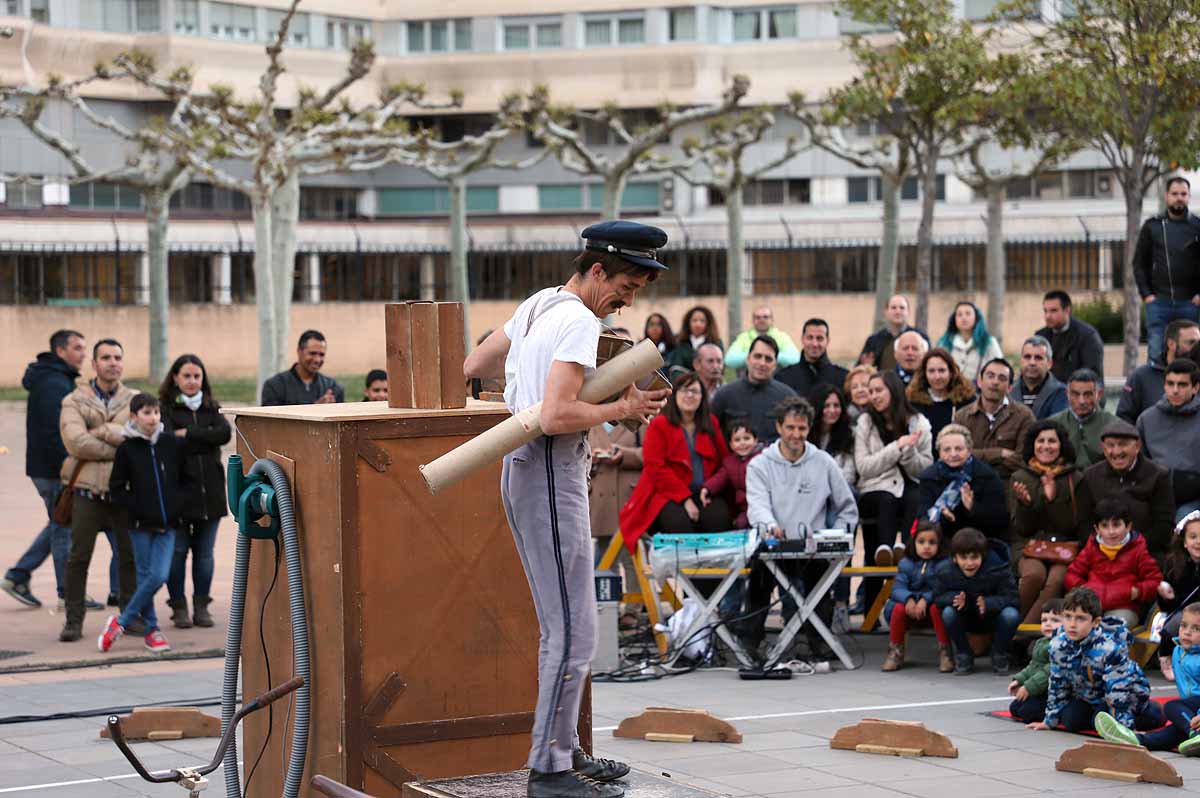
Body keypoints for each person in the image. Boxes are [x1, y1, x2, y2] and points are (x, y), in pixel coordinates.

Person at [462, 219, 671, 797]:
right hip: (550, 471)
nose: (629, 300)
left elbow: (474, 365)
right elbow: (556, 416)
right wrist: (618, 410)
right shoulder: (578, 319)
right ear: (598, 269)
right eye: (627, 284)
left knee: (562, 626)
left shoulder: (540, 303)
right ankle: (550, 768)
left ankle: (563, 750)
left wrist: (524, 390)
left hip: (523, 467)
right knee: (574, 631)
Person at [743, 396, 859, 654]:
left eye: (802, 429)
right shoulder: (759, 465)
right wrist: (770, 525)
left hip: (812, 547)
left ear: (809, 428)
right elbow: (757, 505)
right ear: (779, 428)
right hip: (774, 544)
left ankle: (817, 642)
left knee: (819, 581)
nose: (796, 434)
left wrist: (835, 535)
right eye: (791, 428)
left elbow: (847, 507)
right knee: (760, 577)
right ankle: (750, 642)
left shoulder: (823, 462)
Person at [2, 330, 97, 610]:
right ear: (60, 351)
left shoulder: (53, 377)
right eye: (77, 348)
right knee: (63, 529)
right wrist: (68, 469)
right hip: (54, 470)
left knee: (59, 522)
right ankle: (68, 594)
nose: (83, 353)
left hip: (46, 468)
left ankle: (18, 575)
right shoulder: (53, 383)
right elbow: (55, 432)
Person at [58, 339, 138, 643]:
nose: (113, 362)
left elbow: (142, 438)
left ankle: (130, 617)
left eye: (118, 357)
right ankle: (73, 620)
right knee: (78, 558)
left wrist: (101, 431)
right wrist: (119, 440)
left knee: (129, 557)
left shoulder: (135, 399)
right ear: (94, 364)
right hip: (86, 492)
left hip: (122, 493)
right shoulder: (74, 400)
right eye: (106, 357)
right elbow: (75, 442)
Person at [99, 393, 181, 654]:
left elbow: (184, 479)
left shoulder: (170, 444)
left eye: (156, 412)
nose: (153, 418)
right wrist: (137, 508)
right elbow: (117, 488)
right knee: (146, 576)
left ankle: (120, 623)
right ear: (134, 417)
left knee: (159, 575)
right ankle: (153, 630)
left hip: (168, 524)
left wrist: (177, 505)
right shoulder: (126, 449)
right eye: (147, 413)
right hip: (139, 525)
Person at [159, 354, 231, 629]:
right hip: (178, 493)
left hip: (210, 493)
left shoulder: (213, 406)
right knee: (177, 553)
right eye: (186, 376)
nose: (191, 381)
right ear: (175, 378)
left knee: (204, 555)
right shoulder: (165, 408)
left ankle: (202, 606)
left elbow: (223, 434)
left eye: (196, 376)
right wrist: (203, 434)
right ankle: (178, 606)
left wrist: (187, 435)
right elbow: (167, 439)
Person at [619, 372, 732, 546]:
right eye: (684, 390)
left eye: (695, 391)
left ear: (703, 397)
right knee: (679, 525)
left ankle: (716, 573)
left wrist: (710, 488)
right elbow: (655, 467)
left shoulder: (711, 423)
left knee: (719, 520)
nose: (689, 395)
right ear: (675, 394)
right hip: (667, 494)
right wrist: (685, 499)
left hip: (705, 491)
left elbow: (725, 463)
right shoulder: (659, 425)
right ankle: (683, 574)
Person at [1030, 586, 1160, 734]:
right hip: (1091, 698)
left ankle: (1149, 712)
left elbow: (1119, 690)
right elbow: (1057, 683)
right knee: (1071, 720)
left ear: (1095, 622)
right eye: (1067, 616)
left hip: (1129, 697)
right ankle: (1099, 718)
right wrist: (1049, 720)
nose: (1072, 624)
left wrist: (1124, 729)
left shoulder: (1110, 648)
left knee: (1148, 717)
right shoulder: (1058, 644)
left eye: (1080, 618)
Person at [854, 370, 933, 585]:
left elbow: (925, 470)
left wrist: (909, 452)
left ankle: (906, 554)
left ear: (894, 391)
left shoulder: (919, 423)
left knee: (914, 497)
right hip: (875, 490)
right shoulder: (865, 422)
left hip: (910, 487)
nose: (874, 396)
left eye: (879, 390)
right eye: (871, 392)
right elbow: (863, 467)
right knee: (887, 498)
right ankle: (884, 552)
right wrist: (897, 447)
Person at [1096, 602, 1200, 754]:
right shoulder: (1179, 650)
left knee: (1171, 707)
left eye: (1196, 628)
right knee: (1173, 733)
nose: (1187, 632)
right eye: (1183, 625)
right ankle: (1136, 740)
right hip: (1191, 710)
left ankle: (1196, 734)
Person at [1076, 420, 1175, 563]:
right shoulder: (1090, 476)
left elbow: (1164, 526)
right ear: (1103, 448)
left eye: (1123, 444)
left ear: (1137, 446)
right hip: (1100, 553)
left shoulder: (1158, 476)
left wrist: (1130, 549)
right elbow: (1084, 524)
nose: (1116, 451)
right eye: (1110, 445)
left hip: (1145, 552)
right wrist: (1104, 549)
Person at [1011, 420, 1080, 623]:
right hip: (1029, 545)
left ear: (1061, 445)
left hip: (1064, 545)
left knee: (1056, 581)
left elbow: (1070, 525)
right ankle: (1012, 627)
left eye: (1052, 441)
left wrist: (1052, 500)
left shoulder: (1074, 477)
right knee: (1034, 576)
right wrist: (1026, 505)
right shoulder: (1020, 476)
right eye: (1040, 441)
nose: (1046, 446)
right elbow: (1021, 528)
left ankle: (1021, 635)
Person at [931, 527, 1021, 675]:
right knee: (948, 613)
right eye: (964, 558)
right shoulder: (945, 571)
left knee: (1011, 615)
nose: (969, 563)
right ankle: (964, 655)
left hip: (992, 617)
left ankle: (999, 654)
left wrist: (989, 602)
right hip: (965, 617)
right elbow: (937, 596)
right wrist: (955, 598)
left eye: (974, 557)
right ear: (954, 558)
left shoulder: (998, 568)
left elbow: (1013, 598)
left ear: (983, 556)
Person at [1132, 176, 1200, 365]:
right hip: (1159, 303)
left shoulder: (1197, 226)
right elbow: (1138, 264)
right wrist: (1147, 295)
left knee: (1193, 354)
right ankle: (1157, 393)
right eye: (1175, 194)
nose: (1179, 198)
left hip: (1190, 303)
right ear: (1166, 196)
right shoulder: (1152, 226)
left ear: (1189, 196)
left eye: (1183, 194)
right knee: (1156, 352)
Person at [1065, 496, 1162, 627]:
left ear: (1128, 526)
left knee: (1112, 628)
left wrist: (1136, 591)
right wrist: (1083, 589)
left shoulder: (1138, 550)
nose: (1111, 532)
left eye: (1116, 525)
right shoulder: (1092, 547)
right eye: (1105, 526)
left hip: (1124, 607)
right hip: (1090, 605)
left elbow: (1155, 580)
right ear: (1097, 529)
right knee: (1074, 623)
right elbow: (1072, 573)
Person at [881, 522, 953, 673]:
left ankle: (945, 652)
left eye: (932, 542)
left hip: (931, 611)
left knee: (937, 607)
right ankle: (895, 652)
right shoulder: (906, 563)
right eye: (921, 542)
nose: (926, 546)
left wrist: (925, 599)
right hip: (910, 610)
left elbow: (941, 588)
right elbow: (897, 588)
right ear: (913, 543)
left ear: (940, 544)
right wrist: (909, 599)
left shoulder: (944, 564)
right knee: (898, 607)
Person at [917, 424, 1008, 541]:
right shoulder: (929, 477)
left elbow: (999, 523)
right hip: (940, 540)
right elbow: (922, 517)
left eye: (959, 449)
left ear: (969, 450)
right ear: (939, 452)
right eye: (947, 449)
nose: (953, 454)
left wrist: (972, 508)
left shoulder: (987, 476)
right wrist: (944, 518)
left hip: (979, 541)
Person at [1137, 358, 1200, 521]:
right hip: (1155, 495)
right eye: (1170, 384)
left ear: (1195, 387)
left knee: (1184, 523)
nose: (1175, 390)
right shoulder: (1147, 419)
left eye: (1182, 384)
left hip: (1194, 499)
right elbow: (1139, 462)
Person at [953, 358, 1035, 481]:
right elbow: (956, 455)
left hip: (1009, 485)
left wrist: (976, 455)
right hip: (970, 483)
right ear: (980, 382)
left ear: (1010, 387)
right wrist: (999, 453)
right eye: (990, 376)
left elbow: (1023, 461)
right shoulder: (962, 416)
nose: (995, 382)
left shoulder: (1024, 416)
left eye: (1002, 378)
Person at [709, 335, 796, 444]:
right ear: (748, 359)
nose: (762, 363)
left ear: (775, 365)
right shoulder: (725, 395)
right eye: (757, 356)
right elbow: (710, 434)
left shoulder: (787, 398)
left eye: (768, 359)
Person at [1118, 319, 1200, 423]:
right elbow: (1123, 419)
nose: (1196, 347)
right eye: (1191, 342)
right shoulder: (1141, 377)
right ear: (1171, 344)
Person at [1008, 598, 1065, 724]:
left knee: (1028, 712)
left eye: (1055, 620)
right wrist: (1019, 680)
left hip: (1054, 692)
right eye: (1044, 620)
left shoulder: (1062, 645)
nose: (1048, 624)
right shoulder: (1041, 642)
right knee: (1015, 708)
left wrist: (1029, 687)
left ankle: (1058, 712)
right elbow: (1033, 666)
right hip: (1040, 689)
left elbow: (1048, 671)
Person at [1157, 513, 1200, 680]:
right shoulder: (1174, 565)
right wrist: (1165, 596)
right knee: (1178, 622)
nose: (1198, 542)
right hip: (1182, 611)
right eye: (1193, 537)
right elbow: (1168, 606)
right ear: (1184, 542)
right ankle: (1166, 656)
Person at [906, 347, 976, 449]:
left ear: (951, 372)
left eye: (942, 370)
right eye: (931, 371)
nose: (937, 376)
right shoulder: (913, 402)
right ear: (924, 373)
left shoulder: (966, 400)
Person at [1048, 368, 1116, 469]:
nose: (1081, 401)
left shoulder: (1114, 425)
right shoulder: (1052, 424)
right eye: (1075, 394)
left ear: (1099, 395)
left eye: (1088, 394)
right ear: (1067, 394)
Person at [1036, 290, 1105, 383]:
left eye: (1053, 310)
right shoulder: (1041, 336)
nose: (1048, 316)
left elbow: (1092, 374)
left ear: (1067, 310)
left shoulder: (1087, 336)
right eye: (1045, 311)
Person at [701, 421, 761, 529]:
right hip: (745, 507)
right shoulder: (729, 463)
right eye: (737, 440)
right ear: (731, 445)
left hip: (763, 503)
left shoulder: (763, 458)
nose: (742, 443)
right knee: (740, 524)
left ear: (755, 441)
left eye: (747, 438)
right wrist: (707, 488)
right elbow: (719, 478)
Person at [261, 330, 345, 406]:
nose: (317, 359)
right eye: (312, 353)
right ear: (299, 351)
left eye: (321, 355)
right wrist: (316, 410)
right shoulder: (275, 386)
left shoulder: (332, 387)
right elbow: (271, 422)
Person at [776, 318, 847, 397]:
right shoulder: (784, 377)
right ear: (802, 339)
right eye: (810, 338)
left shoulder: (843, 378)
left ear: (828, 341)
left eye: (819, 338)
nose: (814, 344)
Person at [936, 301, 1003, 381]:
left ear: (976, 317)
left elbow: (1000, 367)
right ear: (954, 319)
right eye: (959, 314)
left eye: (968, 313)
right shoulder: (944, 343)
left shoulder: (989, 342)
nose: (963, 318)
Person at [859, 294, 927, 371]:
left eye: (902, 308)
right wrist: (867, 367)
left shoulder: (920, 338)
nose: (898, 311)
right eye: (893, 308)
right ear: (886, 312)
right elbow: (861, 369)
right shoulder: (873, 340)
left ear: (908, 311)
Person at [808, 384, 857, 489]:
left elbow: (849, 473)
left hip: (839, 489)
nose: (832, 411)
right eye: (826, 406)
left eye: (836, 405)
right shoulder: (805, 434)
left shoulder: (849, 434)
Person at [1009, 336, 1067, 420]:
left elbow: (1056, 426)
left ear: (1049, 364)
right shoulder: (1008, 391)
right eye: (1027, 357)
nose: (1032, 362)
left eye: (1038, 358)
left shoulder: (1061, 392)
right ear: (1021, 361)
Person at [725, 305, 800, 371]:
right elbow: (729, 360)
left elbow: (795, 359)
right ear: (753, 320)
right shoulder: (743, 337)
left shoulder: (782, 337)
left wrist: (772, 355)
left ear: (772, 320)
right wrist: (754, 355)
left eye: (765, 317)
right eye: (758, 317)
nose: (762, 320)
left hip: (777, 381)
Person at [667, 305, 722, 372]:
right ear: (688, 323)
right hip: (684, 381)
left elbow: (719, 367)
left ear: (708, 323)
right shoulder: (680, 342)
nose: (698, 324)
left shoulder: (716, 342)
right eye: (694, 320)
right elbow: (676, 368)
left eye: (702, 321)